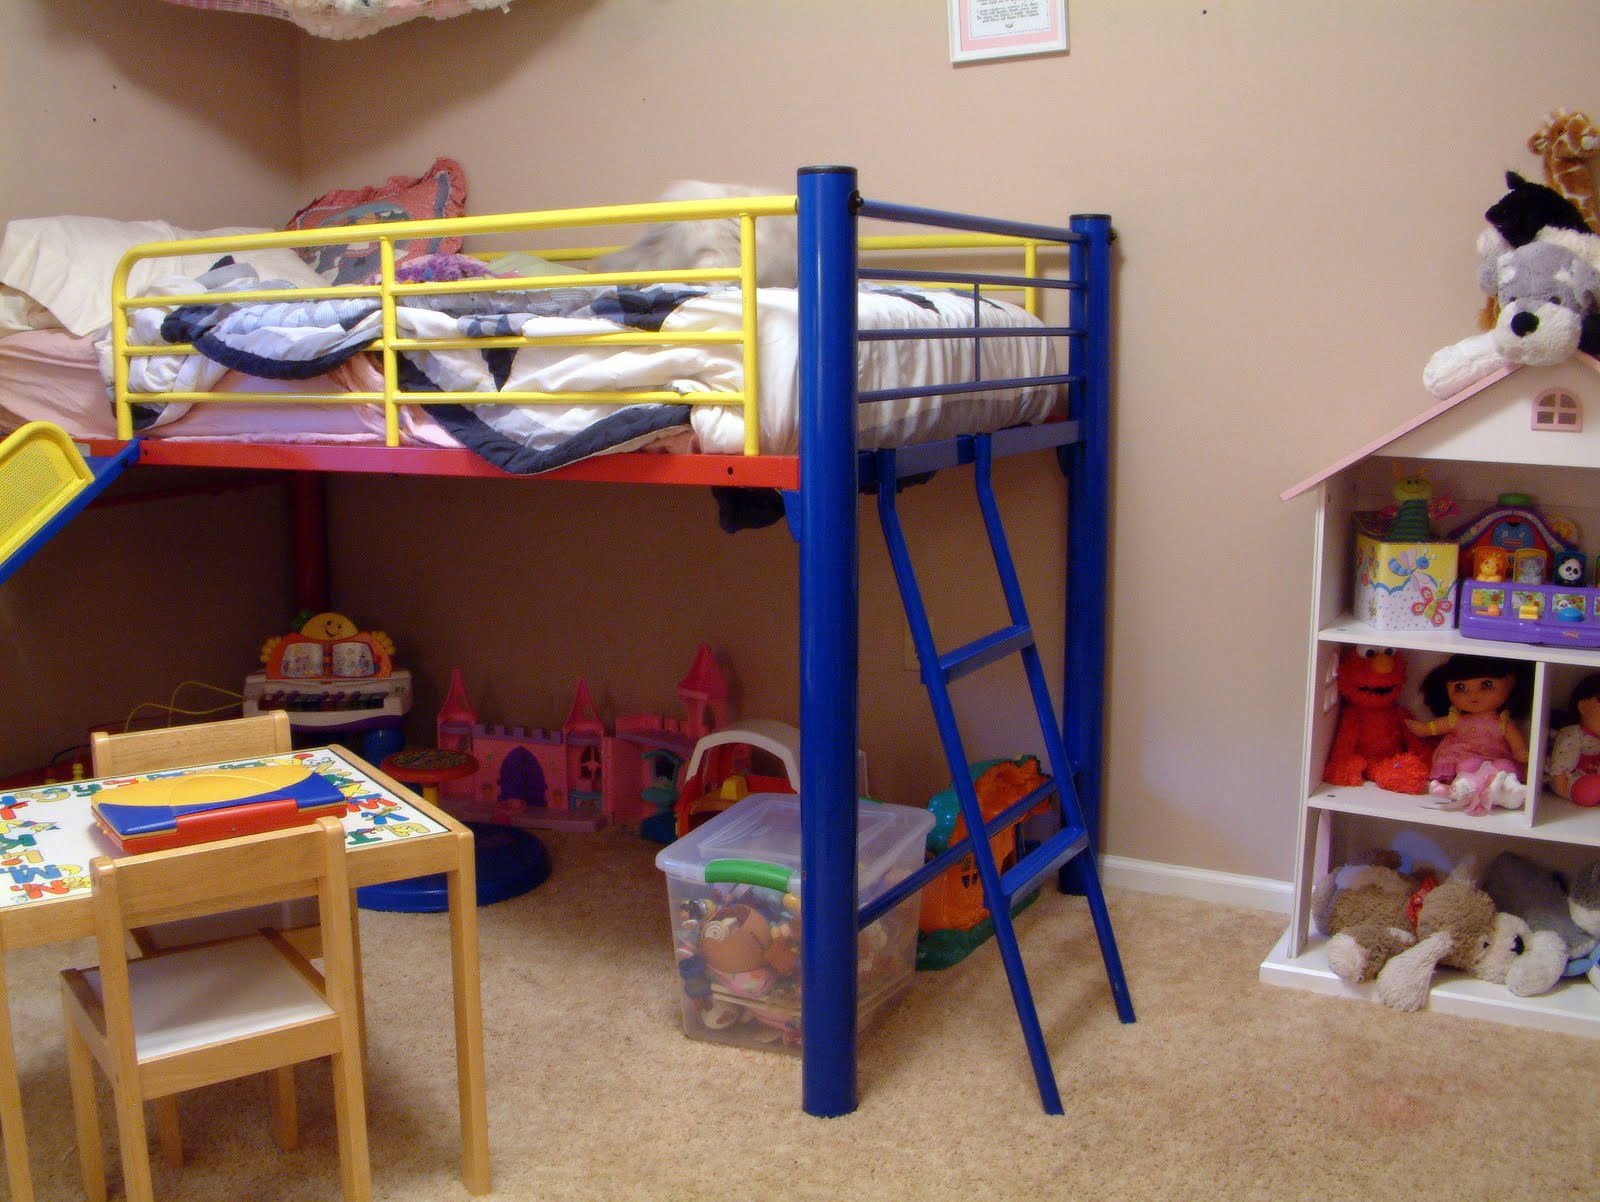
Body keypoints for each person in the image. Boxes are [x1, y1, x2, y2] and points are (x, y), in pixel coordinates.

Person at [1405, 654, 1532, 816]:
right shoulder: (1456, 720)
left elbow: (1517, 744)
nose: (1473, 695)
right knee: (1468, 765)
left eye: (1486, 685)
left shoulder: (1503, 723)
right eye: (1460, 688)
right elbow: (1433, 728)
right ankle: (1456, 790)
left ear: (1510, 683)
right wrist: (1420, 728)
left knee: (1503, 767)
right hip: (1465, 757)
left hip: (1495, 758)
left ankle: (1501, 791)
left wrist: (1520, 752)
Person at [1547, 674, 1600, 807]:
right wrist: (1562, 788)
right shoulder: (1573, 734)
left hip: (1594, 775)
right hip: (1570, 777)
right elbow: (1561, 764)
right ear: (1582, 707)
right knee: (1591, 787)